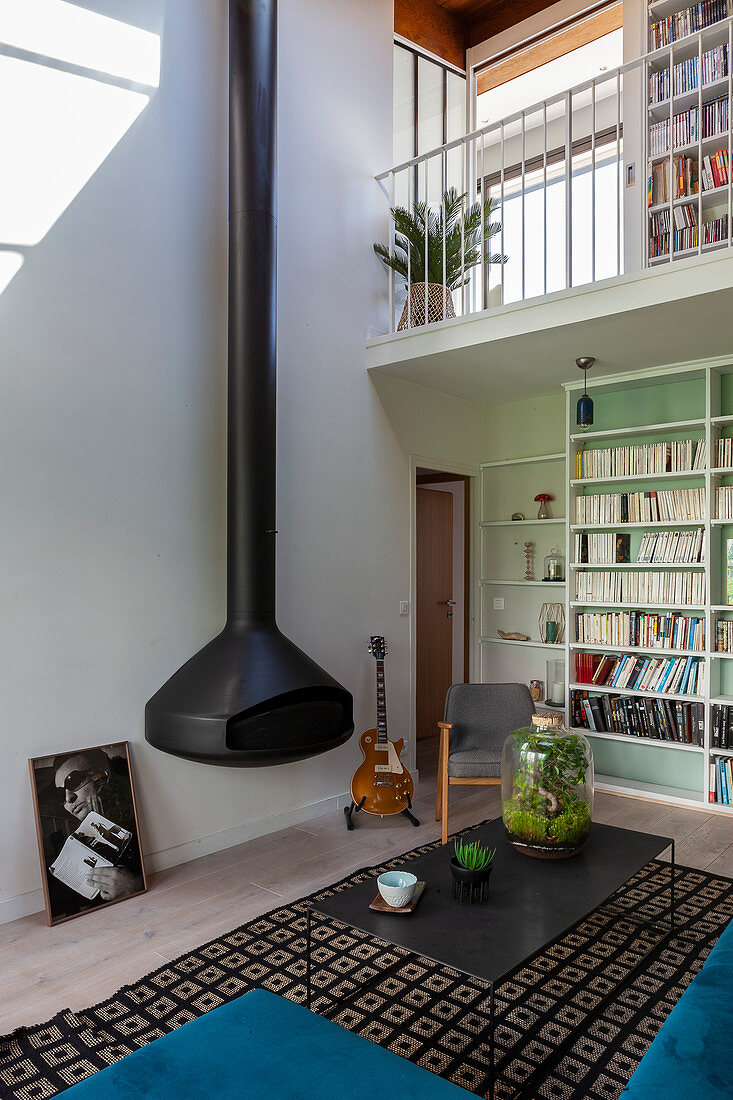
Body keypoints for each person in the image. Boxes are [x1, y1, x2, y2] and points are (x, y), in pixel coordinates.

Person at [49, 748, 143, 917]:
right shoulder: (77, 843)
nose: (68, 799)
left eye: (74, 780)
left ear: (103, 774)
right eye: (60, 794)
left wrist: (136, 885)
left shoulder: (138, 813)